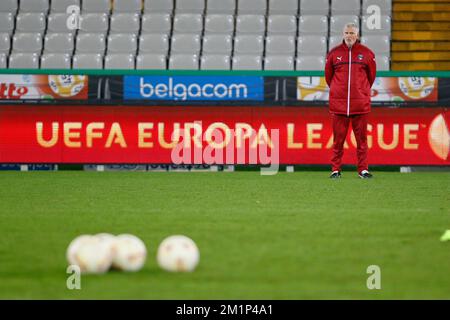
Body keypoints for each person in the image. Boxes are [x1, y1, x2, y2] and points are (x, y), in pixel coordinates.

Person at [325, 23, 376, 179]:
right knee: (338, 140)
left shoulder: (367, 53)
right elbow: (329, 77)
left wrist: (361, 91)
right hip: (338, 105)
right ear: (343, 34)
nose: (349, 35)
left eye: (352, 33)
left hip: (360, 104)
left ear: (357, 35)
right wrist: (338, 91)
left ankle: (363, 170)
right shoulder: (334, 53)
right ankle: (335, 169)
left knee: (361, 140)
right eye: (346, 32)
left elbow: (371, 76)